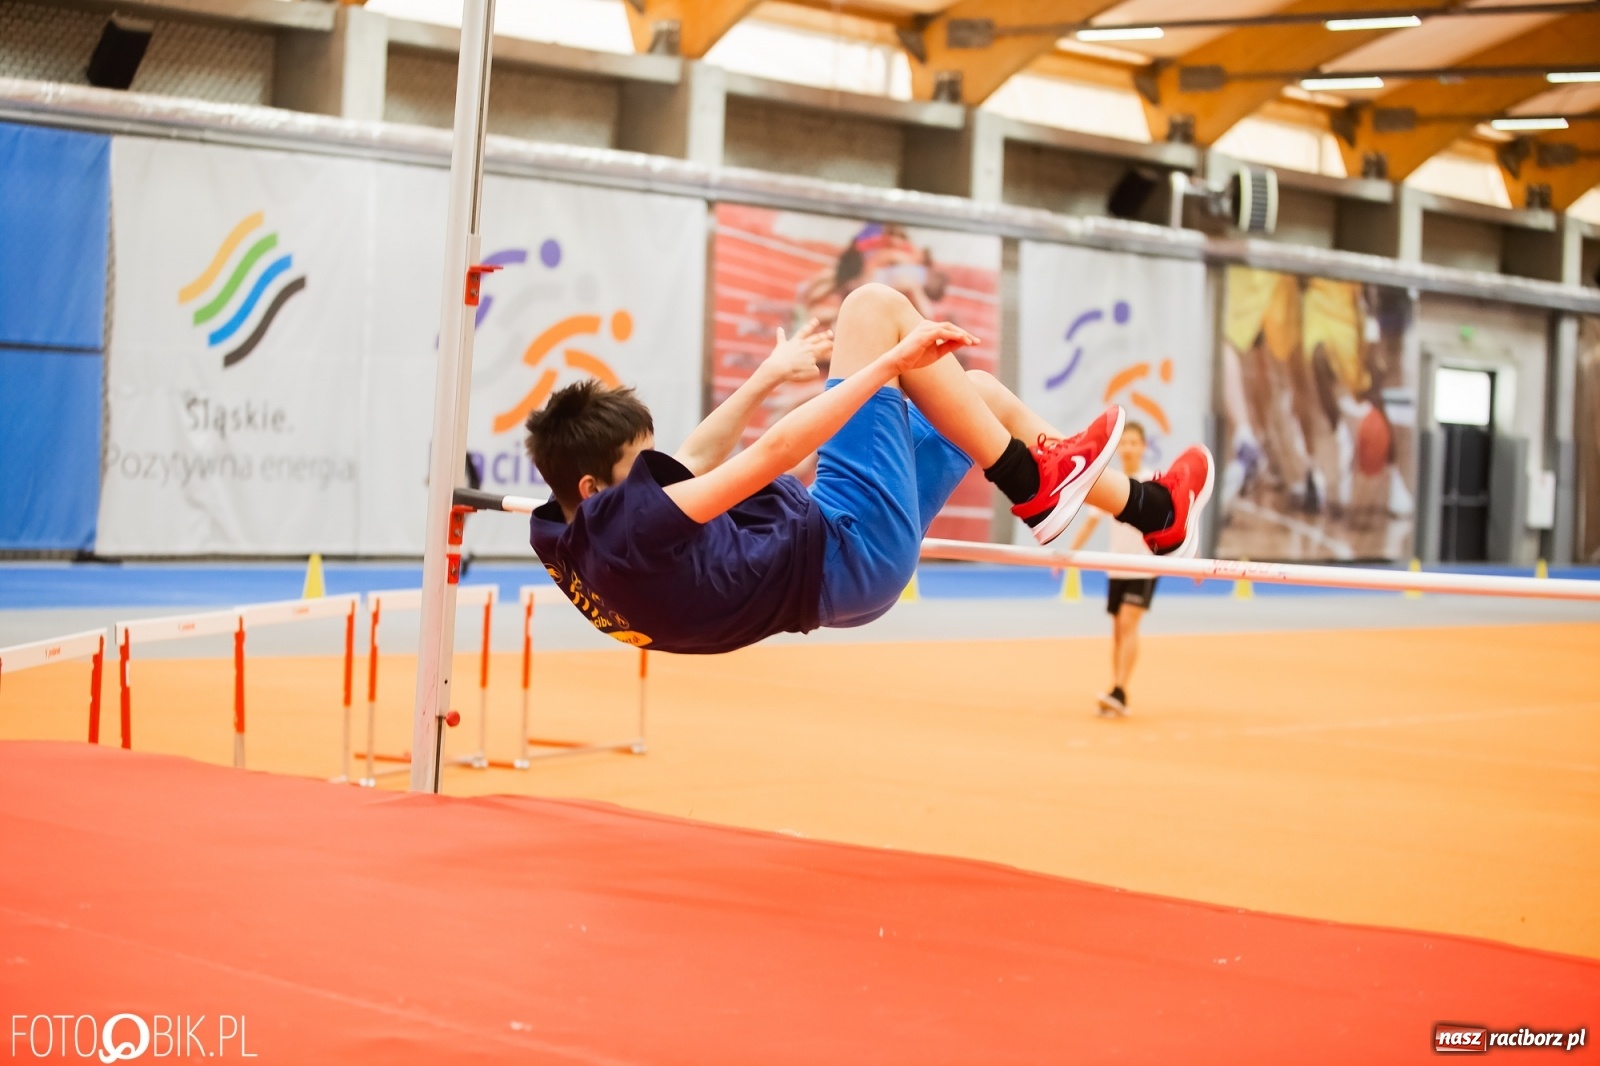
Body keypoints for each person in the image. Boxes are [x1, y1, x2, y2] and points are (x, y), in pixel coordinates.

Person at [523, 282, 1213, 654]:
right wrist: (886, 365)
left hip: (842, 578)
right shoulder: (632, 526)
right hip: (843, 541)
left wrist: (767, 376)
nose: (657, 474)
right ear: (594, 487)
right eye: (639, 465)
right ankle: (1031, 485)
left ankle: (1154, 511)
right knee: (872, 307)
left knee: (977, 397)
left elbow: (693, 459)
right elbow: (771, 454)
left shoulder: (565, 536)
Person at [1067, 421, 1160, 717]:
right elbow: (1091, 522)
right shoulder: (1112, 482)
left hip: (1143, 567)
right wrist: (1067, 555)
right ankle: (1117, 690)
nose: (1129, 448)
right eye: (1125, 443)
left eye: (1134, 443)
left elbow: (1176, 521)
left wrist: (1192, 560)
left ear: (1143, 447)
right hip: (1116, 567)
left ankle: (1120, 690)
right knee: (1118, 630)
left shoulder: (1154, 482)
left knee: (1129, 623)